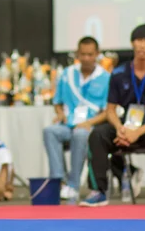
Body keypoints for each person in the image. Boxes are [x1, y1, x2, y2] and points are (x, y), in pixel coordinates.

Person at [80, 24, 145, 207]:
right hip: (124, 126)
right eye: (139, 40)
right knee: (97, 134)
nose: (142, 45)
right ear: (132, 43)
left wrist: (137, 132)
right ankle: (98, 191)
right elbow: (110, 110)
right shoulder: (119, 73)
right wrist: (120, 129)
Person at [43, 36, 110, 200]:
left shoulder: (106, 78)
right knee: (50, 131)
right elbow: (57, 102)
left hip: (91, 125)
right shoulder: (67, 74)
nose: (86, 58)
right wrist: (59, 114)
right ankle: (60, 181)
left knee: (80, 135)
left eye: (90, 54)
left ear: (97, 54)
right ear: (77, 54)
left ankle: (74, 185)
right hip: (68, 123)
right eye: (83, 54)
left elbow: (109, 111)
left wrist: (89, 122)